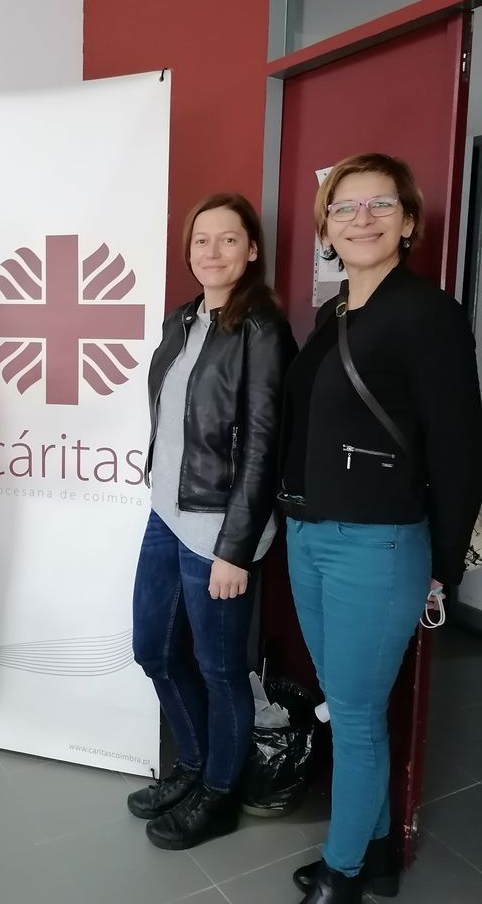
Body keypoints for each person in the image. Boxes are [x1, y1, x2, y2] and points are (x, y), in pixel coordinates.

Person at [278, 153, 482, 904]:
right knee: (350, 703)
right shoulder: (333, 315)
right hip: (309, 535)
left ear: (408, 222)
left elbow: (460, 450)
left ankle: (342, 874)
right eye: (344, 206)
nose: (361, 218)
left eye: (381, 204)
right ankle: (376, 853)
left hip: (378, 544)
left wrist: (444, 566)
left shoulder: (429, 315)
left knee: (357, 715)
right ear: (326, 227)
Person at [128, 193, 297, 850]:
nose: (213, 251)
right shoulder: (182, 321)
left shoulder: (263, 329)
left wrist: (236, 548)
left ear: (251, 250)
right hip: (167, 513)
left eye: (229, 239)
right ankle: (195, 767)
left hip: (220, 529)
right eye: (202, 240)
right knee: (153, 649)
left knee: (221, 669)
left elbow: (263, 444)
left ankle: (220, 794)